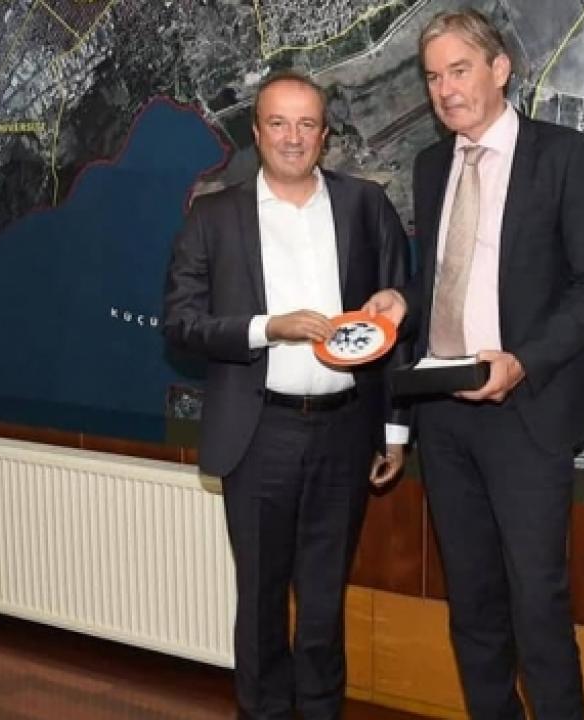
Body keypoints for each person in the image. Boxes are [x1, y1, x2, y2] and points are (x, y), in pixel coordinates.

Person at [363, 9, 584, 719]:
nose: (445, 90)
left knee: (537, 605)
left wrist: (523, 363)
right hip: (444, 418)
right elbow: (446, 279)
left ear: (500, 68)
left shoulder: (563, 157)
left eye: (460, 70)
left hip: (526, 415)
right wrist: (402, 300)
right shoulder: (431, 165)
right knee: (472, 604)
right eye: (433, 77)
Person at [164, 70, 410, 720]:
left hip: (345, 434)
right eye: (279, 123)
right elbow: (180, 324)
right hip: (258, 435)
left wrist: (393, 429)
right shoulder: (213, 216)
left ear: (324, 135)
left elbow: (397, 321)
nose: (293, 137)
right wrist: (267, 329)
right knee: (261, 602)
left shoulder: (366, 206)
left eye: (307, 124)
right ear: (257, 131)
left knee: (325, 603)